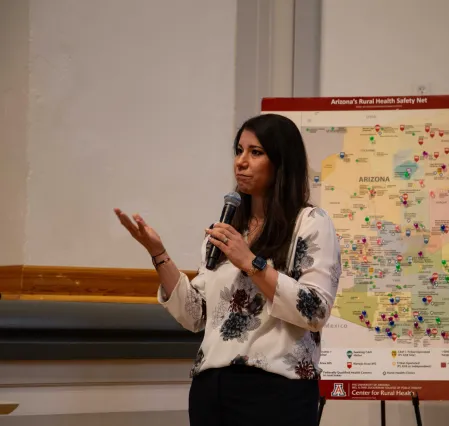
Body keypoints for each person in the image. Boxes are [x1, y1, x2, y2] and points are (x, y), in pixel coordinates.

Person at [114, 113, 342, 426]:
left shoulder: (311, 222)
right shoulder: (228, 230)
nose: (241, 162)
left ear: (281, 162)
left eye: (255, 152)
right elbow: (195, 315)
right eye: (238, 150)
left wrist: (250, 262)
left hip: (276, 392)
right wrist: (158, 252)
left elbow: (315, 310)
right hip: (212, 390)